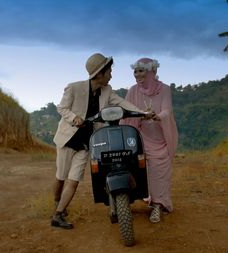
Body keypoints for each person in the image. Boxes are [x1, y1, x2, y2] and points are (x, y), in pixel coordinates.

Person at [51, 53, 145, 229]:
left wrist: (143, 113)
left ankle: (57, 215)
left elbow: (122, 102)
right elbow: (61, 107)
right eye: (109, 71)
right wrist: (74, 118)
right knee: (61, 177)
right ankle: (57, 203)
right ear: (99, 73)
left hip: (87, 142)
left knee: (74, 179)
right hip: (68, 139)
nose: (111, 74)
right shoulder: (74, 88)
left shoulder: (107, 90)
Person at [120, 58, 178, 223]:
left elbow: (167, 110)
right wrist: (137, 116)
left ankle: (158, 206)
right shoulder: (133, 90)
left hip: (159, 138)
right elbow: (126, 111)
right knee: (129, 164)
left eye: (141, 71)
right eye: (135, 71)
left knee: (159, 172)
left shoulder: (165, 89)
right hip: (139, 136)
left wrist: (156, 116)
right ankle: (124, 203)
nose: (137, 75)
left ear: (151, 72)